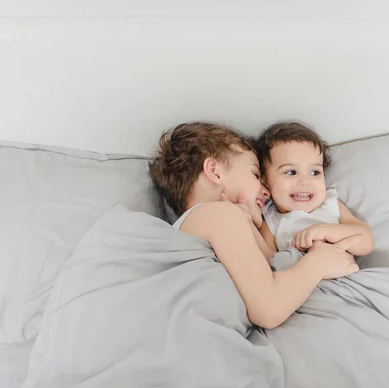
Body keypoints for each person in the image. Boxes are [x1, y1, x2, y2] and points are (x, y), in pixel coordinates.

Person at [149, 122, 361, 329]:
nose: (266, 191)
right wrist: (319, 262)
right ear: (214, 171)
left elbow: (271, 267)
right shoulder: (219, 214)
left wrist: (249, 225)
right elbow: (268, 310)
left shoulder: (209, 221)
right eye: (256, 175)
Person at [256, 121, 374, 255]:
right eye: (291, 172)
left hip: (346, 274)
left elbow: (366, 241)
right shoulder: (271, 223)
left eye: (314, 172)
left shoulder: (330, 204)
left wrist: (324, 232)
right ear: (265, 181)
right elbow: (267, 267)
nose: (305, 181)